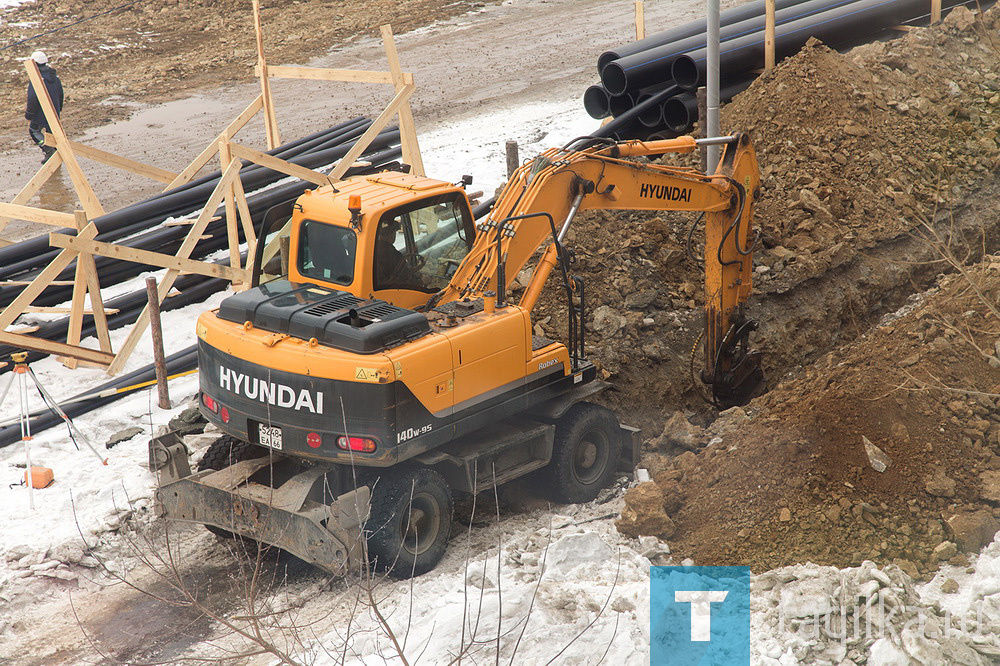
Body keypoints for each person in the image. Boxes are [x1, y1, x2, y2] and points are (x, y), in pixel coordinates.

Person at [24, 51, 63, 164]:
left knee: (34, 131)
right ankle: (55, 153)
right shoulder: (54, 77)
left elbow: (32, 97)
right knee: (52, 133)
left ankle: (48, 150)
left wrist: (29, 114)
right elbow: (60, 94)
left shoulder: (37, 79)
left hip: (41, 114)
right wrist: (59, 108)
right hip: (54, 111)